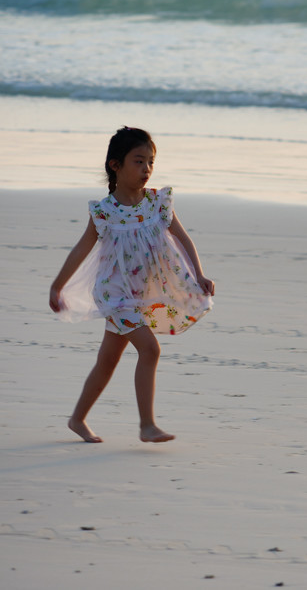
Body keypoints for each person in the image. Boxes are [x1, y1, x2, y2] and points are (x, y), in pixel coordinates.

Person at [49, 127, 214, 443]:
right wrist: (57, 286)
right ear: (116, 165)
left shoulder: (157, 203)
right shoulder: (105, 212)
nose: (147, 169)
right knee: (150, 349)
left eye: (151, 162)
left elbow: (183, 238)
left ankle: (77, 419)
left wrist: (200, 274)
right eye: (139, 161)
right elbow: (81, 249)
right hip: (115, 294)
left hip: (142, 295)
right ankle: (147, 426)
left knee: (107, 362)